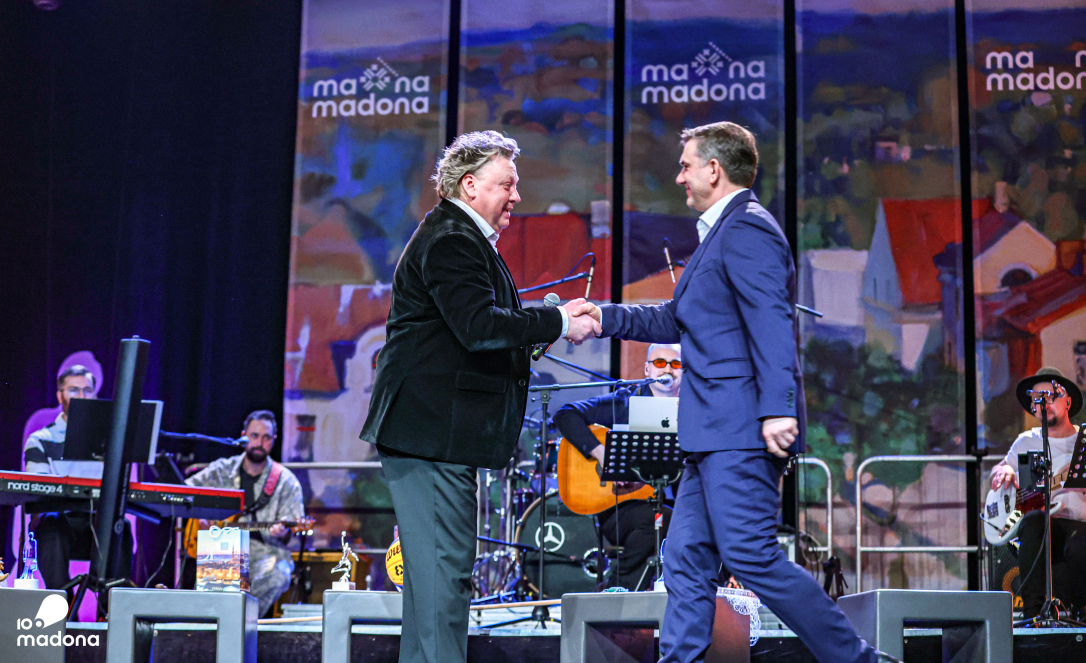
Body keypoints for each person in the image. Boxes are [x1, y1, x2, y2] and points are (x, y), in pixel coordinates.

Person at [572, 122, 885, 663]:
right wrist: (603, 317)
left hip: (740, 430)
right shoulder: (721, 233)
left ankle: (857, 659)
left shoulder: (747, 230)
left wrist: (777, 409)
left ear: (714, 170)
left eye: (686, 165)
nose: (679, 177)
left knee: (751, 554)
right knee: (685, 558)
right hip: (709, 433)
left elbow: (772, 321)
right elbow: (675, 318)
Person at [359, 131, 601, 663]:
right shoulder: (452, 239)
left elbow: (471, 330)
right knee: (443, 582)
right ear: (469, 185)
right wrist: (559, 321)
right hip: (431, 438)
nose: (517, 195)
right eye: (507, 183)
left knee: (433, 588)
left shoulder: (458, 236)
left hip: (432, 437)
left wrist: (543, 326)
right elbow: (478, 326)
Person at [554, 342, 682, 591]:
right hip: (620, 508)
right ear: (647, 369)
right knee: (662, 520)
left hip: (675, 505)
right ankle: (616, 592)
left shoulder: (694, 411)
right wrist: (602, 453)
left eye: (675, 364)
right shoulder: (625, 401)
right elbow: (566, 414)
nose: (667, 369)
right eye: (659, 363)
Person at [989, 367, 1086, 620]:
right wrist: (1003, 470)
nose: (1044, 403)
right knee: (1032, 521)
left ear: (1067, 401)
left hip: (1084, 525)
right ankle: (1033, 616)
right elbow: (1001, 468)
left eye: (1051, 395)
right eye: (1037, 398)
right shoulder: (1025, 441)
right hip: (1045, 526)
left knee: (1085, 543)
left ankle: (1080, 610)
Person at [23, 365, 134, 594]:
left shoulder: (112, 442)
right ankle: (63, 602)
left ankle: (111, 605)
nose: (82, 396)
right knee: (50, 523)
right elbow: (39, 490)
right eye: (74, 390)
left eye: (87, 390)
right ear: (60, 396)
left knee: (120, 527)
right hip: (62, 524)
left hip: (99, 523)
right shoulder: (40, 440)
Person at [186, 410, 305, 618]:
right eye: (254, 436)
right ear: (243, 436)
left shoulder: (286, 481)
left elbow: (293, 528)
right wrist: (201, 514)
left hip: (266, 551)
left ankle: (238, 622)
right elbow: (185, 490)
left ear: (274, 440)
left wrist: (283, 531)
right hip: (224, 547)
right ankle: (214, 624)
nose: (260, 443)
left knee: (279, 574)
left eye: (266, 437)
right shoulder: (222, 470)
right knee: (210, 593)